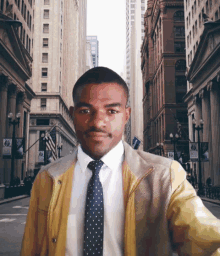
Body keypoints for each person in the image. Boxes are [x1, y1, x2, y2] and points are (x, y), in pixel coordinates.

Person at [21, 67, 220, 256]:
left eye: (111, 111)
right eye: (85, 111)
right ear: (72, 115)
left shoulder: (165, 176)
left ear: (126, 115)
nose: (98, 122)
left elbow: (207, 240)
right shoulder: (47, 178)